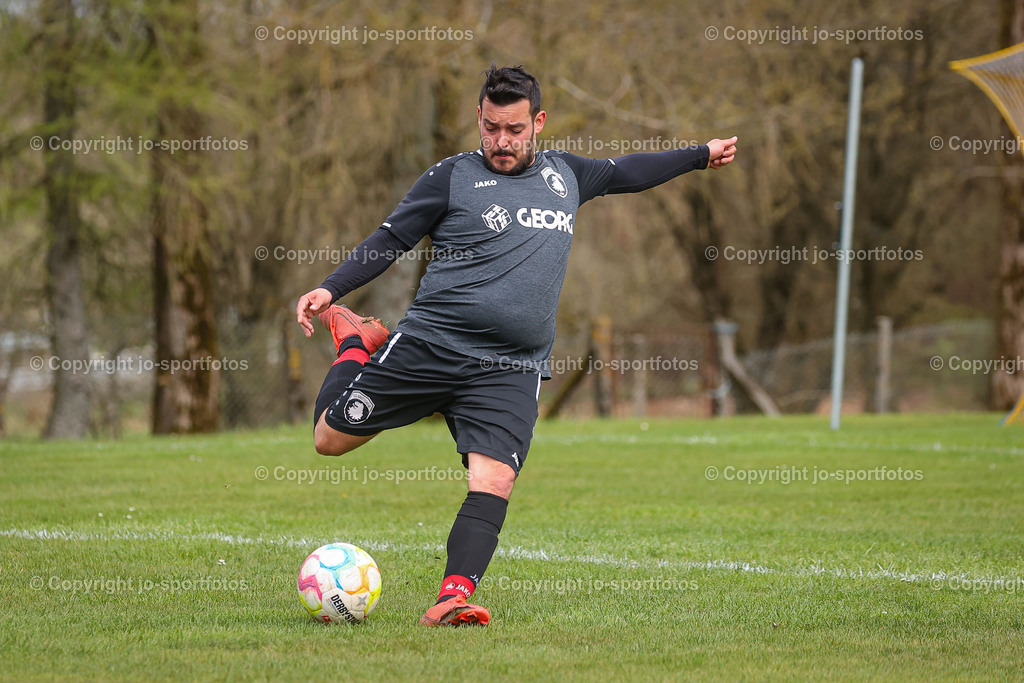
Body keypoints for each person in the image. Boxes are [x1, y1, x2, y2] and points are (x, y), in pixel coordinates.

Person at [295, 64, 737, 627]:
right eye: (491, 128)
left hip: (509, 366)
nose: (501, 142)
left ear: (539, 123)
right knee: (328, 439)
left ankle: (453, 596)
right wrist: (330, 290)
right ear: (479, 119)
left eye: (514, 129)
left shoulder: (569, 176)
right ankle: (356, 342)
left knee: (495, 479)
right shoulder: (450, 178)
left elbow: (629, 170)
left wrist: (699, 153)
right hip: (432, 344)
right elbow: (391, 239)